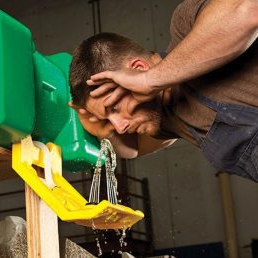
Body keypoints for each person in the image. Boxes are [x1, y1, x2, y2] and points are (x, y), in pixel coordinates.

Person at [69, 0, 258, 182]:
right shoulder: (167, 117)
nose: (120, 127)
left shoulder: (184, 27)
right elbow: (134, 149)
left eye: (115, 108)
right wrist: (103, 130)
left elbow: (247, 10)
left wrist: (150, 80)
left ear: (139, 68)